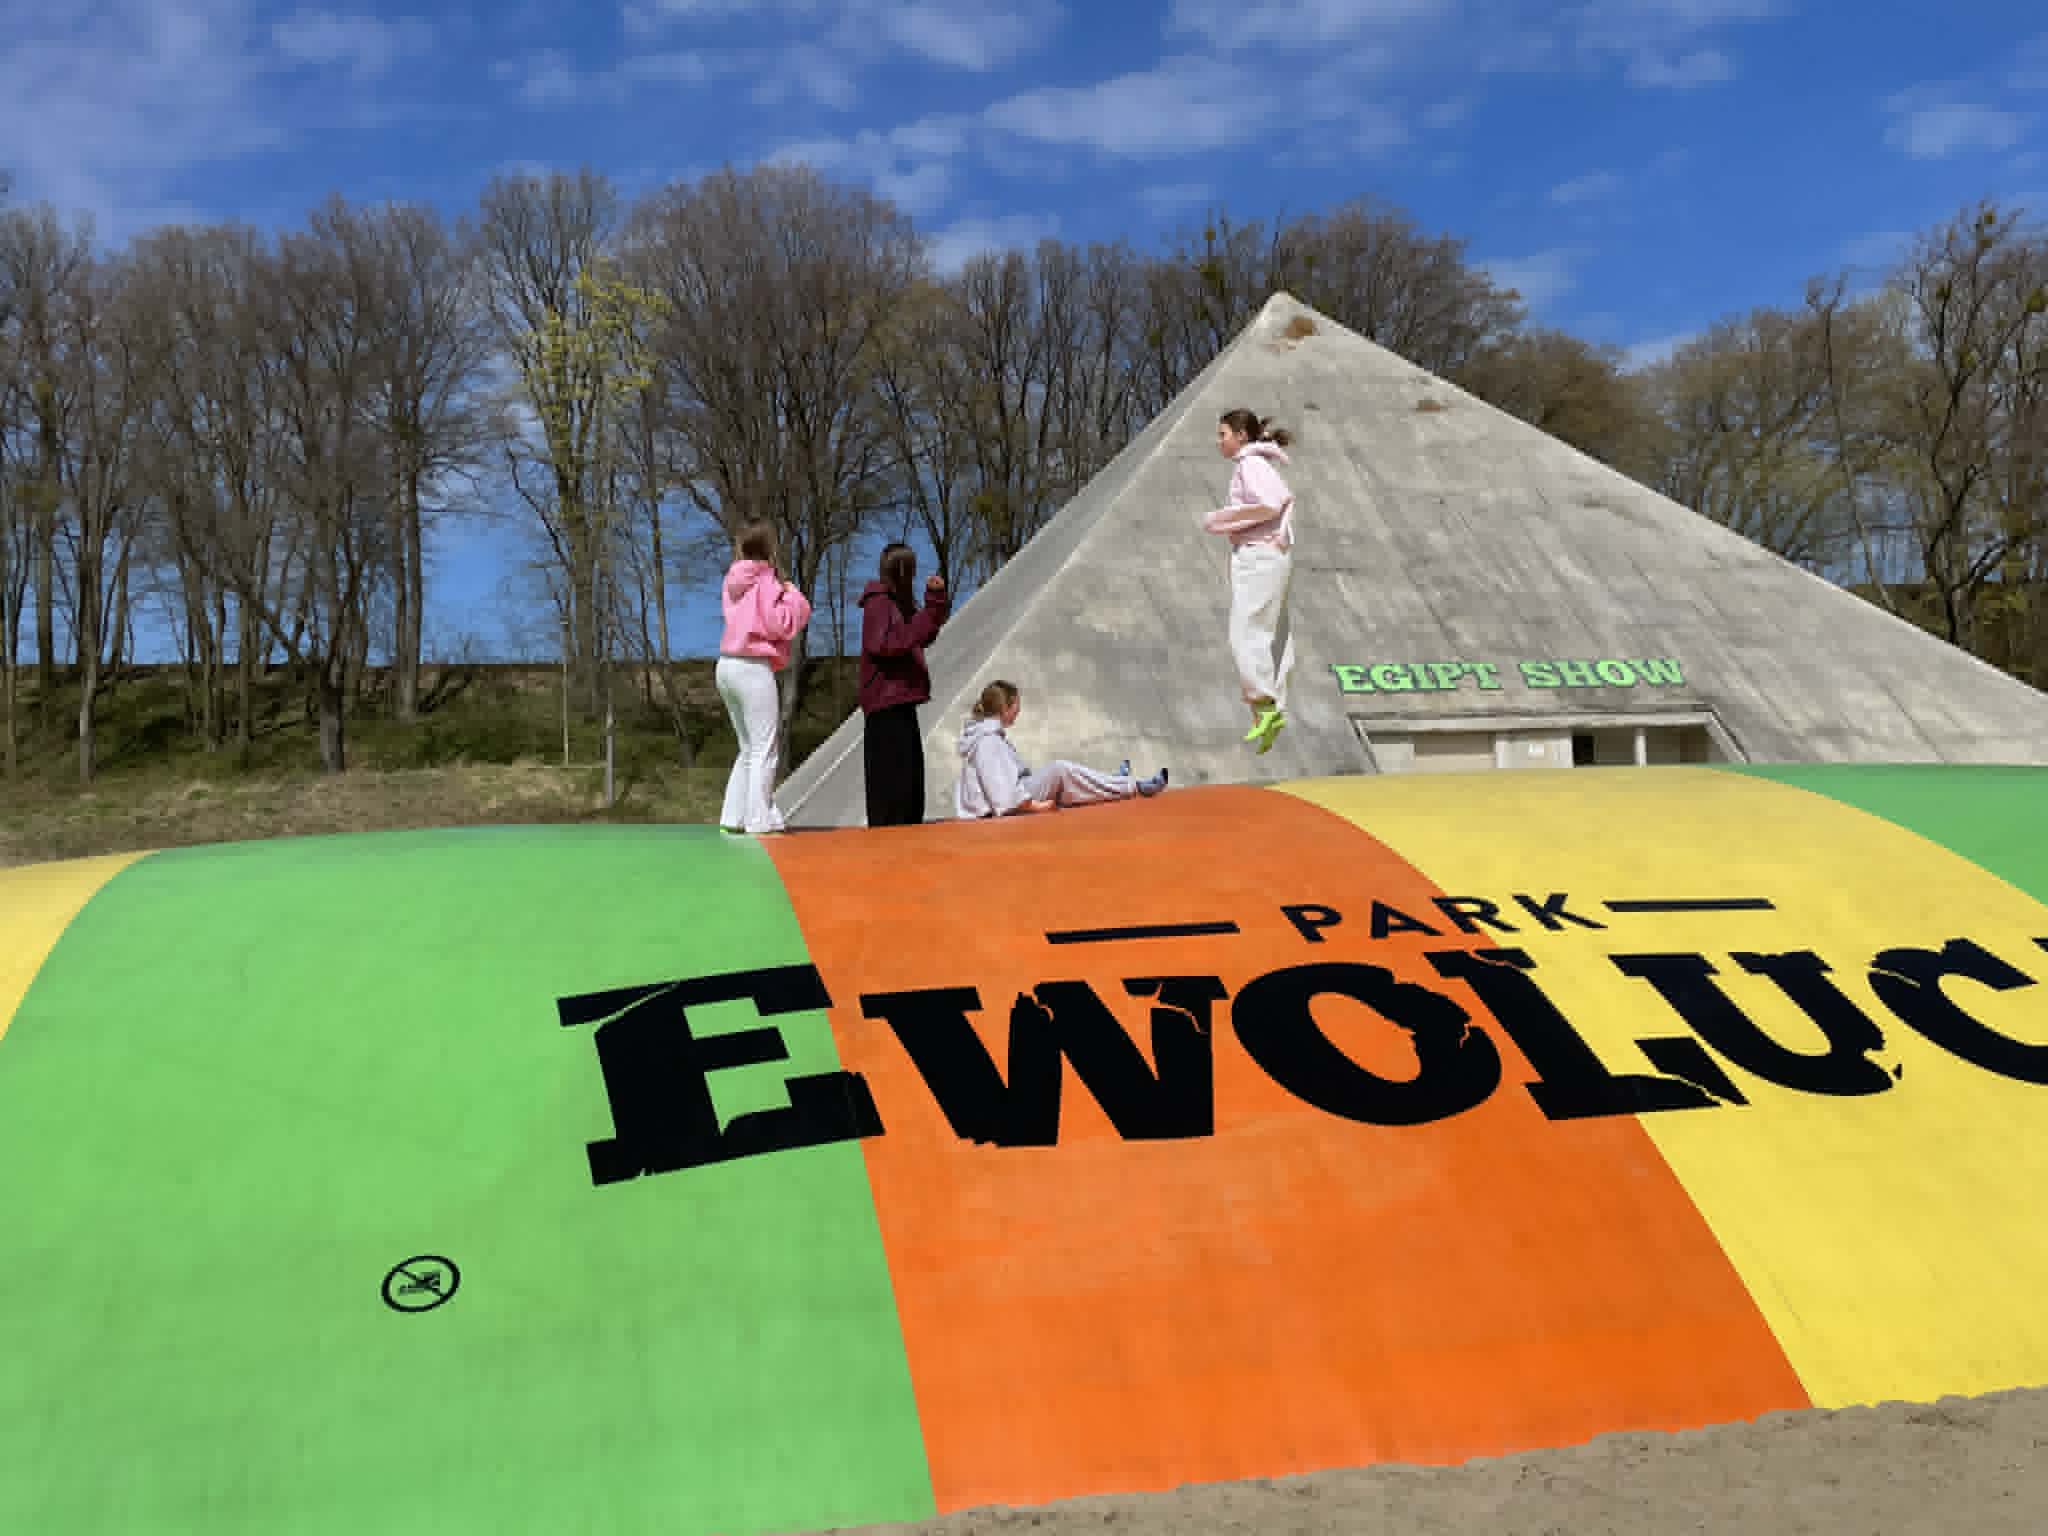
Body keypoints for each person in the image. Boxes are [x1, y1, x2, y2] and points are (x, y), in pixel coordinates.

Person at [1202, 408, 1297, 754]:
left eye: (1223, 434)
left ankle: (1264, 705)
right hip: (1270, 555)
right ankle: (1271, 710)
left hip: (1260, 555)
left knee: (1244, 630)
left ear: (1241, 436)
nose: (1218, 441)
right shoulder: (1257, 464)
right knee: (1272, 634)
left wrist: (1220, 520)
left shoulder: (1250, 465)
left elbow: (1271, 503)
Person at [715, 520, 812, 835]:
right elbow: (779, 624)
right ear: (771, 548)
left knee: (747, 748)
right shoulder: (766, 581)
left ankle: (733, 816)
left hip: (726, 665)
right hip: (752, 667)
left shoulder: (733, 579)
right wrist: (794, 597)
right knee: (764, 748)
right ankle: (758, 819)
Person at [954, 680, 1168, 819]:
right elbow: (1001, 794)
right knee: (1060, 770)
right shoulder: (988, 741)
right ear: (1004, 708)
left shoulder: (988, 736)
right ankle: (1134, 786)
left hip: (1018, 795)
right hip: (1011, 804)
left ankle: (1114, 782)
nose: (1019, 709)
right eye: (1016, 704)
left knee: (1063, 775)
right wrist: (1035, 807)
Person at [859, 542, 950, 827]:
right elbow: (884, 643)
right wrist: (917, 626)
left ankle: (906, 834)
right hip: (885, 703)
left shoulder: (899, 604)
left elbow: (923, 634)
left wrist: (934, 600)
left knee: (909, 785)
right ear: (902, 570)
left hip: (901, 700)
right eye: (911, 569)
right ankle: (890, 838)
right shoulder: (878, 603)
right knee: (892, 787)